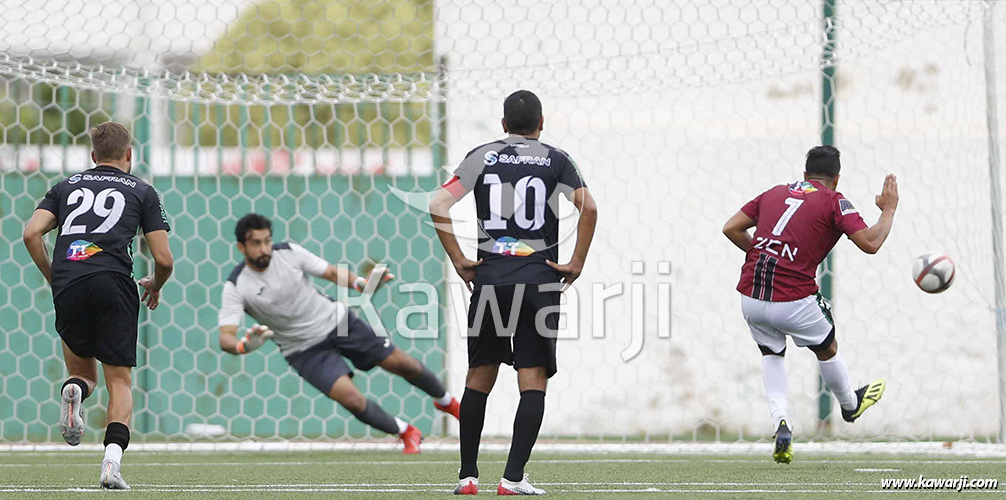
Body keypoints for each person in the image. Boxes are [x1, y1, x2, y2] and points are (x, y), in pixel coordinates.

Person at [429, 90, 598, 495]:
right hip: (538, 282)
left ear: (503, 125)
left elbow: (438, 203)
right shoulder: (556, 158)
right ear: (541, 125)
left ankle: (468, 477)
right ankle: (512, 478)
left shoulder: (481, 155)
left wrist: (457, 259)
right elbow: (589, 209)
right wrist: (576, 263)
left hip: (490, 278)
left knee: (478, 376)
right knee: (533, 380)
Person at [217, 213, 460, 454]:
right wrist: (242, 347)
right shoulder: (237, 286)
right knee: (352, 400)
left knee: (404, 364)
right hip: (303, 350)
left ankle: (448, 402)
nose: (264, 248)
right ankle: (407, 432)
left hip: (339, 323)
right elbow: (226, 336)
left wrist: (361, 284)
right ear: (241, 246)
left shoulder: (289, 252)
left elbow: (332, 273)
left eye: (267, 241)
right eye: (256, 243)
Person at [722, 145, 898, 464]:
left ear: (805, 175)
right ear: (837, 178)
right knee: (827, 349)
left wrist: (761, 255)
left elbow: (731, 228)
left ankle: (781, 424)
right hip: (794, 299)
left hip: (751, 296)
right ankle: (849, 404)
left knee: (771, 353)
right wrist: (888, 209)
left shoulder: (773, 193)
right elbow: (871, 243)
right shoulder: (834, 200)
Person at [22, 122, 174, 489]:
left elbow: (30, 233)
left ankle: (72, 392)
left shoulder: (65, 187)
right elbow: (164, 260)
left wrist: (55, 275)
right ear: (129, 155)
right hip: (114, 284)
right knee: (119, 382)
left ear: (92, 156)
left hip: (69, 282)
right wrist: (156, 284)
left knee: (83, 374)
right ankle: (111, 464)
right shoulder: (142, 191)